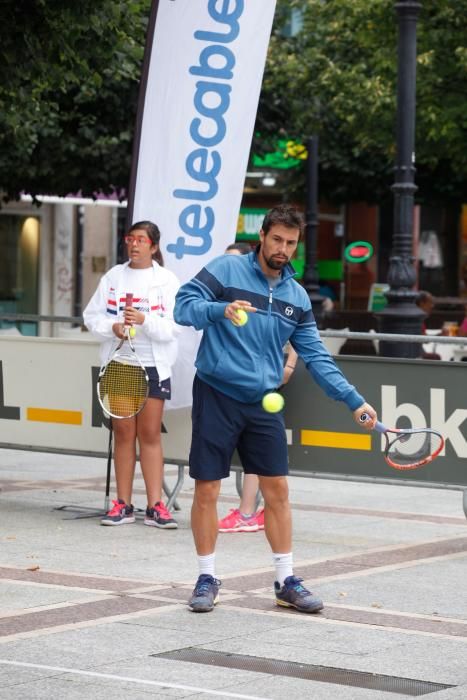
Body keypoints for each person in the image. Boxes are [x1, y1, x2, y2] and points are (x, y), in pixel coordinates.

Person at [174, 204, 377, 614]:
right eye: (277, 239)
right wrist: (220, 310)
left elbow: (317, 357)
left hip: (263, 403)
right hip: (216, 392)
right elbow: (182, 306)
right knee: (207, 490)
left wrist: (355, 401)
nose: (283, 249)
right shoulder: (227, 271)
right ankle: (206, 577)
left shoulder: (296, 297)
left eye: (291, 243)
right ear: (263, 236)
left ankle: (285, 581)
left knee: (278, 491)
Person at [83, 221, 180, 528]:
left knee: (149, 434)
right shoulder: (114, 276)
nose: (134, 245)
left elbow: (173, 328)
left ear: (154, 246)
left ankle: (156, 506)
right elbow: (91, 316)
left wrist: (144, 320)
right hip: (121, 365)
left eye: (141, 240)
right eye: (130, 239)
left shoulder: (166, 280)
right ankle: (122, 504)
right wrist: (112, 327)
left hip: (154, 366)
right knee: (123, 433)